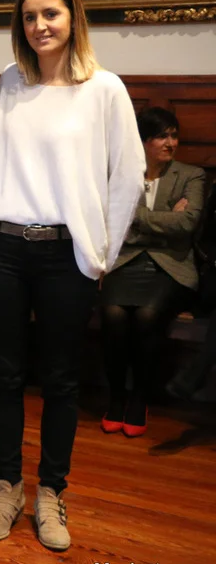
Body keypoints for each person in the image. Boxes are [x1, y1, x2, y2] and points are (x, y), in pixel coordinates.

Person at [0, 0, 145, 551]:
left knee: (62, 379)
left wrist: (101, 253)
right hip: (3, 248)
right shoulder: (12, 81)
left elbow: (129, 176)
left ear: (74, 17)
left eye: (51, 13)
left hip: (67, 253)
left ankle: (50, 492)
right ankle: (8, 487)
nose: (39, 26)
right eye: (29, 16)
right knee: (3, 375)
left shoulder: (104, 88)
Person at [100, 107, 204, 437]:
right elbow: (108, 222)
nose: (170, 143)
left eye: (174, 135)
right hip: (124, 262)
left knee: (147, 316)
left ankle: (139, 399)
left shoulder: (191, 175)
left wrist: (136, 218)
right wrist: (166, 220)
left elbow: (187, 224)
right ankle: (117, 397)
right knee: (113, 315)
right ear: (142, 141)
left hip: (171, 266)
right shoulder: (120, 175)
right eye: (161, 136)